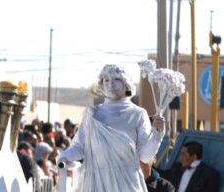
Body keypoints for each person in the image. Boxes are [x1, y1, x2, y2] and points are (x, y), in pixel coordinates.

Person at [58, 64, 166, 192]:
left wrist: (157, 134)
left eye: (116, 79)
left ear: (126, 83)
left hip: (127, 183)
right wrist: (65, 156)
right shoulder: (92, 114)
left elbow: (144, 157)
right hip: (96, 182)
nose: (110, 84)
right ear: (101, 85)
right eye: (106, 80)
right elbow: (79, 147)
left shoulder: (138, 114)